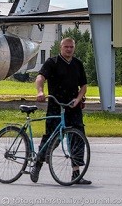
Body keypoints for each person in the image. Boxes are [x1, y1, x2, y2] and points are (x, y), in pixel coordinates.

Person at [31, 37, 91, 185]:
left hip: (73, 105)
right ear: (61, 47)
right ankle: (38, 162)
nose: (69, 49)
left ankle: (76, 174)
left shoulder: (77, 64)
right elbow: (40, 77)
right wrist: (40, 91)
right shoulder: (52, 62)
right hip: (56, 105)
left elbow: (83, 85)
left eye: (71, 47)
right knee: (52, 138)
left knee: (78, 138)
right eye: (66, 47)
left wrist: (78, 99)